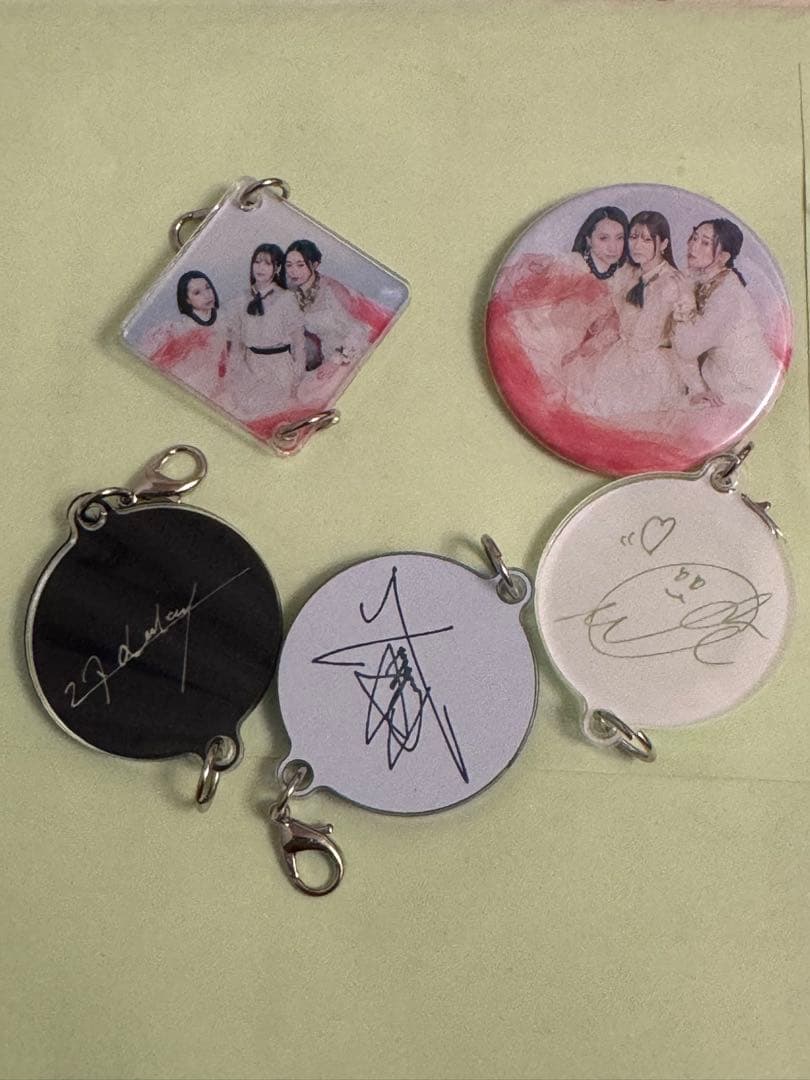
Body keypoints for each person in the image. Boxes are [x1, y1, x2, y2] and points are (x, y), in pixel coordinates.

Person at [486, 206, 630, 404]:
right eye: (603, 238)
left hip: (575, 348)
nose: (613, 247)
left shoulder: (622, 278)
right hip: (543, 334)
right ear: (588, 239)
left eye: (619, 238)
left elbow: (611, 324)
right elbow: (539, 302)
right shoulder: (569, 264)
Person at [576, 210, 696, 421]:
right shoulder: (627, 273)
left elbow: (686, 341)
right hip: (619, 358)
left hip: (654, 368)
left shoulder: (674, 282)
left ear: (664, 244)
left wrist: (697, 387)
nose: (637, 246)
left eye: (647, 240)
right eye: (633, 237)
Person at [671, 219, 777, 410]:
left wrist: (686, 299)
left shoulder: (728, 293)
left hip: (747, 387)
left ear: (723, 257)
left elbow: (688, 348)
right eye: (694, 238)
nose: (693, 246)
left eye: (705, 243)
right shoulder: (696, 278)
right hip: (716, 379)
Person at [224, 243, 307, 420]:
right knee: (241, 410)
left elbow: (299, 343)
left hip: (278, 366)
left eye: (267, 264)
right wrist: (233, 371)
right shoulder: (241, 299)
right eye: (257, 262)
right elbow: (237, 343)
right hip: (250, 364)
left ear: (277, 268)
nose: (260, 268)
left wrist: (297, 376)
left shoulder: (286, 298)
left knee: (270, 412)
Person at [144, 270, 229, 402]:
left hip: (216, 389)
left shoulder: (225, 320)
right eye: (197, 292)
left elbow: (224, 360)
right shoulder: (177, 330)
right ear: (187, 300)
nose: (207, 295)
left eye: (208, 287)